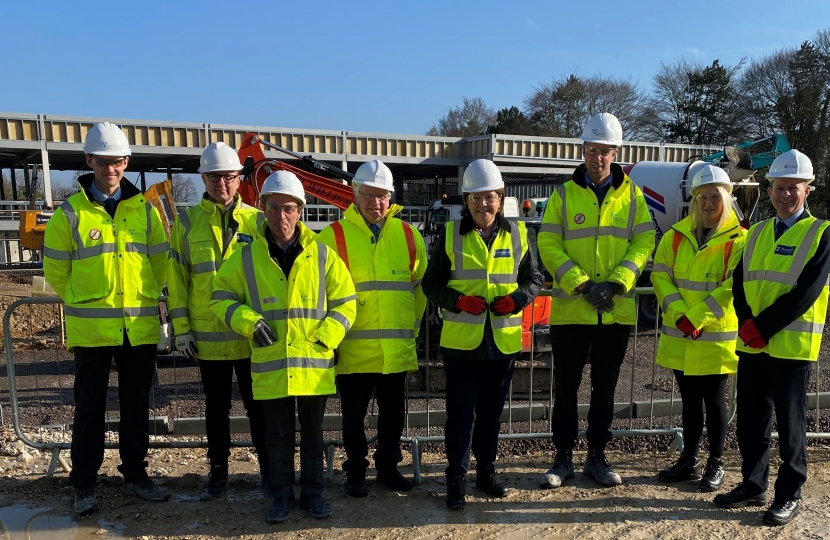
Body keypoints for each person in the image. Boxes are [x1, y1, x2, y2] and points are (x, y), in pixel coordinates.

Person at [210, 170, 356, 524]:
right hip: (272, 363)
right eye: (274, 208)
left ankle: (312, 494)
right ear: (263, 209)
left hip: (312, 365)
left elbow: (346, 302)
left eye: (289, 208)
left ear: (300, 211)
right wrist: (249, 322)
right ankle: (280, 496)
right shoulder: (246, 256)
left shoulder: (322, 256)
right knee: (276, 435)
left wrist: (326, 337)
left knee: (312, 434)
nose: (281, 216)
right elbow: (220, 297)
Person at [43, 122, 170, 517]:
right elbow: (56, 272)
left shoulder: (145, 211)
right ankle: (83, 483)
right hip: (93, 330)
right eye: (103, 162)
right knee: (89, 410)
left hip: (138, 327)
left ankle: (135, 475)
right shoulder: (70, 213)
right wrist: (87, 301)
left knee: (135, 407)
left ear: (126, 162)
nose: (110, 169)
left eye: (117, 162)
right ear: (89, 161)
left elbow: (160, 264)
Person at [537, 112, 655, 489]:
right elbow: (547, 243)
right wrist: (583, 285)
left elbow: (644, 242)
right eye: (591, 149)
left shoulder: (632, 196)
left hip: (614, 311)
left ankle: (597, 458)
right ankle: (562, 458)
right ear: (583, 150)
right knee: (566, 389)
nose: (597, 157)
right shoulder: (563, 195)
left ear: (615, 152)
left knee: (605, 390)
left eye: (604, 151)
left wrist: (618, 283)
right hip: (573, 309)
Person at [714, 149, 829, 526]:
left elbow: (807, 291)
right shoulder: (759, 231)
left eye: (793, 188)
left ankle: (789, 491)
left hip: (791, 347)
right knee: (751, 419)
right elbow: (740, 279)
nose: (785, 194)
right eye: (779, 187)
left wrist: (761, 328)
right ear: (769, 189)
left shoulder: (820, 233)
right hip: (753, 344)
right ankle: (753, 483)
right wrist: (747, 322)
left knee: (790, 423)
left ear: (807, 190)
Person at [422, 158, 542, 510]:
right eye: (475, 198)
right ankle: (456, 479)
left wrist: (517, 299)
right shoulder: (449, 235)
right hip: (461, 344)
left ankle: (486, 473)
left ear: (500, 197)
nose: (482, 204)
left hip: (501, 343)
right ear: (466, 200)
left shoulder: (517, 234)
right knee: (460, 416)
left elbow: (534, 280)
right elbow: (431, 285)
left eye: (489, 197)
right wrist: (458, 301)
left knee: (490, 415)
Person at [317, 160, 427, 497]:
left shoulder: (409, 236)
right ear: (355, 193)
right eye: (368, 194)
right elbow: (319, 293)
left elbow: (419, 291)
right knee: (353, 417)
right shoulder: (332, 237)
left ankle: (388, 468)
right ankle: (355, 472)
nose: (375, 202)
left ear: (391, 197)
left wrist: (411, 332)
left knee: (393, 415)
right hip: (353, 349)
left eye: (382, 196)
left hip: (395, 349)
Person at [167, 142, 269, 500]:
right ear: (204, 179)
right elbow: (177, 281)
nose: (221, 184)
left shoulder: (258, 221)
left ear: (239, 179)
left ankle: (269, 472)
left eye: (227, 176)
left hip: (249, 336)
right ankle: (218, 474)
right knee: (216, 411)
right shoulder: (187, 223)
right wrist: (182, 331)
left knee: (259, 408)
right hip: (207, 337)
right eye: (213, 177)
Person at [652, 165, 745, 492]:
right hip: (682, 334)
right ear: (694, 200)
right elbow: (660, 276)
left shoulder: (739, 240)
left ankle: (716, 463)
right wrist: (680, 315)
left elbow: (734, 286)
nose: (708, 204)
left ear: (726, 199)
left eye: (714, 197)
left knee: (716, 403)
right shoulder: (675, 236)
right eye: (702, 197)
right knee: (690, 403)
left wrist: (697, 318)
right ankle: (689, 460)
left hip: (714, 336)